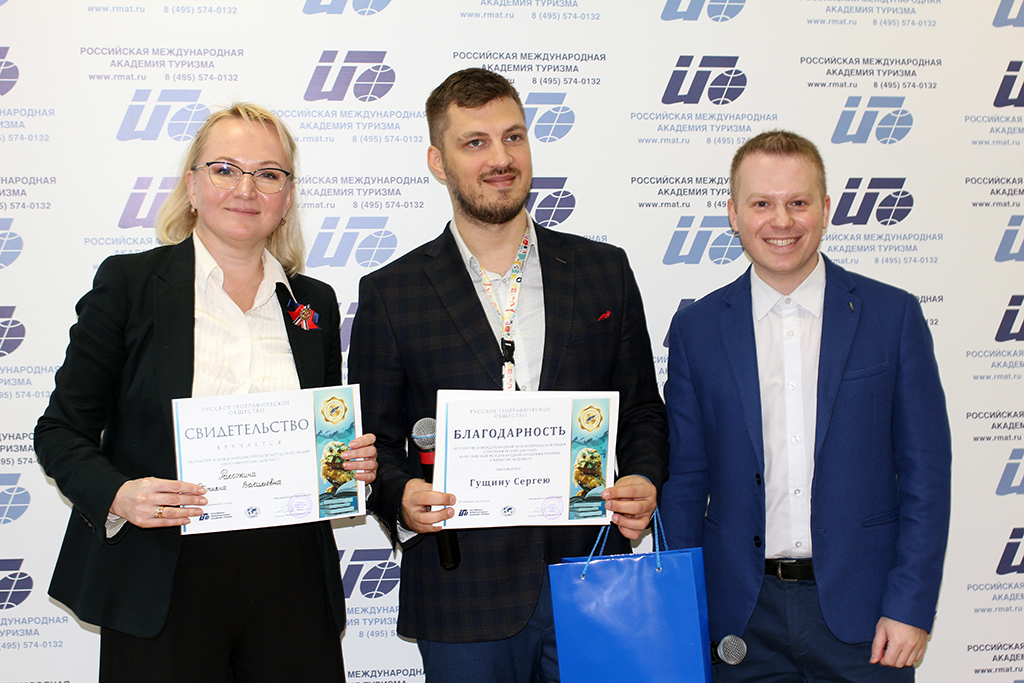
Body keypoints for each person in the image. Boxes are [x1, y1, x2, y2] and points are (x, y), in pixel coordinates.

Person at [34, 103, 377, 683]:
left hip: (291, 581)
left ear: (287, 197)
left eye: (268, 174)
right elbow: (60, 431)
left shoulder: (313, 303)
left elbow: (323, 437)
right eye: (224, 169)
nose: (246, 189)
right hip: (161, 578)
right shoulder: (130, 285)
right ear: (192, 186)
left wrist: (346, 462)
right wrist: (119, 495)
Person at [347, 68, 668, 683]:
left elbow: (642, 410)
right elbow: (373, 442)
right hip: (460, 593)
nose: (501, 159)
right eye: (475, 143)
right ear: (438, 162)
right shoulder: (392, 292)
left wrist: (644, 478)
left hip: (594, 580)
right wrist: (401, 497)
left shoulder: (603, 270)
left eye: (513, 137)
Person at [662, 130, 951, 681]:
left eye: (798, 202)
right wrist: (681, 607)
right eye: (761, 204)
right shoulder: (697, 330)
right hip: (739, 616)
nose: (782, 221)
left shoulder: (892, 317)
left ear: (826, 208)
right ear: (733, 214)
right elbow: (685, 481)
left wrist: (911, 606)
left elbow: (926, 475)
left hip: (866, 616)